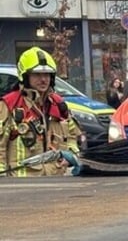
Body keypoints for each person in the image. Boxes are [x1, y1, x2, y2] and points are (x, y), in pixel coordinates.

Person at [0, 47, 82, 177]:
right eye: (37, 74)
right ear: (25, 76)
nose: (43, 79)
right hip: (21, 184)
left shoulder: (59, 105)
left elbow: (73, 136)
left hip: (56, 181)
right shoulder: (10, 105)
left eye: (47, 74)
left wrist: (71, 154)